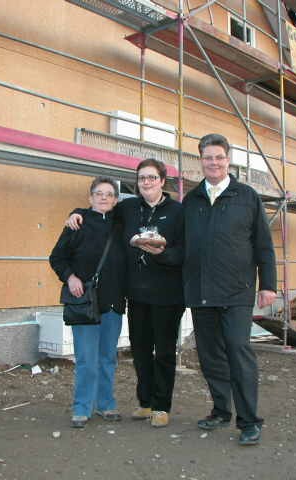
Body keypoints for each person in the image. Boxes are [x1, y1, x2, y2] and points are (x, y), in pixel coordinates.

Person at [66, 159, 185, 427]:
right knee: (141, 350)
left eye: (152, 178)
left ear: (162, 181)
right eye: (142, 178)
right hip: (136, 294)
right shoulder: (129, 208)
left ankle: (161, 407)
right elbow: (99, 207)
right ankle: (145, 402)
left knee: (164, 352)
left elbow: (185, 251)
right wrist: (74, 213)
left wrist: (163, 253)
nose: (146, 182)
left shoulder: (178, 211)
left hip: (167, 294)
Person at [182, 133, 277, 446]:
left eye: (219, 157)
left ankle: (249, 421)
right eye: (208, 157)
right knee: (210, 357)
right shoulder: (191, 200)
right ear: (201, 161)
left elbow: (264, 244)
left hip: (237, 291)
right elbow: (181, 246)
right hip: (201, 292)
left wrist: (269, 285)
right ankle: (221, 410)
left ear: (228, 160)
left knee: (238, 353)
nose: (214, 163)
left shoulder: (246, 196)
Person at [49, 177, 126, 429]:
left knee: (108, 358)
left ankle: (105, 404)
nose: (103, 197)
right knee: (85, 358)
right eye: (98, 193)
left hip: (113, 302)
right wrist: (70, 277)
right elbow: (57, 257)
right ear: (90, 197)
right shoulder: (77, 224)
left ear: (115, 200)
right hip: (84, 302)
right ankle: (82, 407)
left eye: (109, 194)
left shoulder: (120, 225)